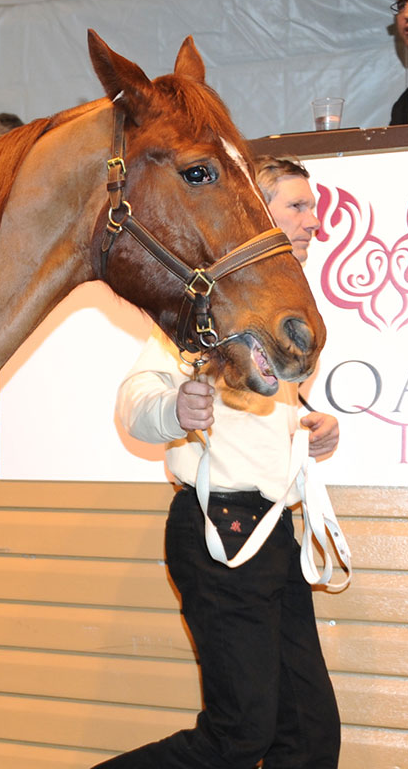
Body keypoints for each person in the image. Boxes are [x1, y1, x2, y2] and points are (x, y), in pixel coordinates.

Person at [93, 156, 341, 768]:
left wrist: (310, 422)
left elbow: (252, 406)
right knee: (238, 737)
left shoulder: (270, 316)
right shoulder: (199, 312)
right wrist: (177, 409)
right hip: (218, 532)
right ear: (257, 214)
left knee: (307, 736)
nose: (315, 221)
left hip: (270, 533)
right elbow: (134, 405)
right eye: (299, 207)